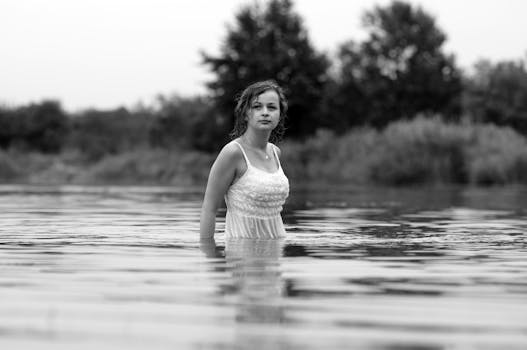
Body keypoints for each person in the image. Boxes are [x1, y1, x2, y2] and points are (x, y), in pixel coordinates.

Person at [200, 80, 289, 241]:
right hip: (242, 256)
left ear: (280, 114)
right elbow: (209, 209)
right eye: (257, 107)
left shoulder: (276, 152)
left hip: (276, 255)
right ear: (246, 113)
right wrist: (210, 258)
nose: (265, 112)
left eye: (272, 107)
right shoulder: (232, 153)